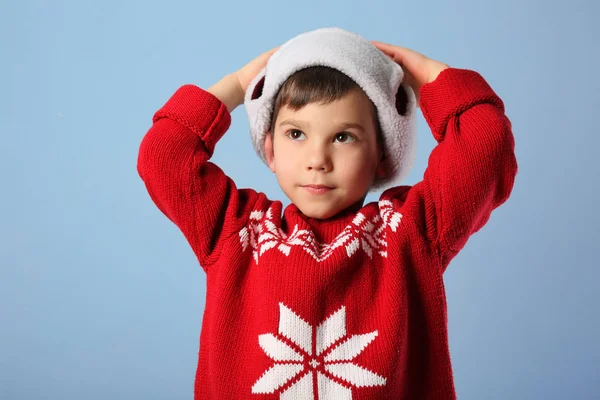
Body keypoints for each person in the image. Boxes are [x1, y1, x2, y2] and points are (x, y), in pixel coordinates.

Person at [137, 28, 517, 400]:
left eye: (343, 137)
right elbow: (163, 156)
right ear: (269, 148)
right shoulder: (235, 230)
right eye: (296, 134)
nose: (317, 160)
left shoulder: (411, 232)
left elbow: (487, 147)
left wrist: (429, 75)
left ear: (382, 156)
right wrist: (237, 85)